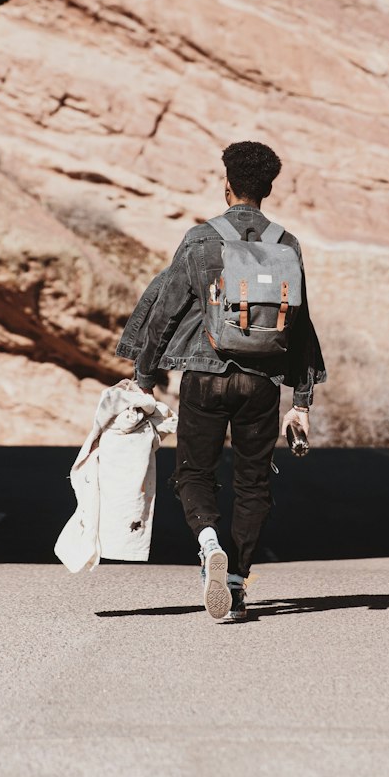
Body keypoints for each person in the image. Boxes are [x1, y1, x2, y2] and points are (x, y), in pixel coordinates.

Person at [116, 140, 325, 620]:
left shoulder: (200, 239)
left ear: (226, 185)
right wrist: (302, 401)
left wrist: (144, 378)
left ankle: (209, 542)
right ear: (267, 189)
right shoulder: (285, 244)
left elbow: (165, 313)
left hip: (205, 378)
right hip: (262, 384)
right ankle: (236, 578)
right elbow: (302, 325)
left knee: (193, 473)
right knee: (253, 484)